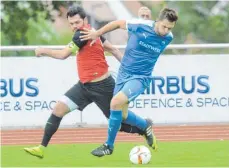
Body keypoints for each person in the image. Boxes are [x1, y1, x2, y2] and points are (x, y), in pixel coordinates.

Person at [23, 6, 150, 159]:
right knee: (58, 109)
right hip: (84, 86)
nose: (74, 26)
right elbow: (114, 50)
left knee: (119, 124)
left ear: (84, 20)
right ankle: (41, 148)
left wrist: (43, 50)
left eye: (77, 22)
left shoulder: (81, 34)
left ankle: (144, 128)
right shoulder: (93, 32)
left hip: (102, 86)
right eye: (71, 23)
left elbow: (63, 54)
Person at [80, 7, 178, 157]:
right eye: (164, 26)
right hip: (123, 74)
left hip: (140, 77)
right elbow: (118, 23)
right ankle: (145, 126)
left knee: (115, 103)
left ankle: (109, 146)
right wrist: (97, 34)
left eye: (169, 28)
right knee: (123, 114)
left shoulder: (168, 37)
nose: (165, 30)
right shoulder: (140, 25)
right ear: (157, 21)